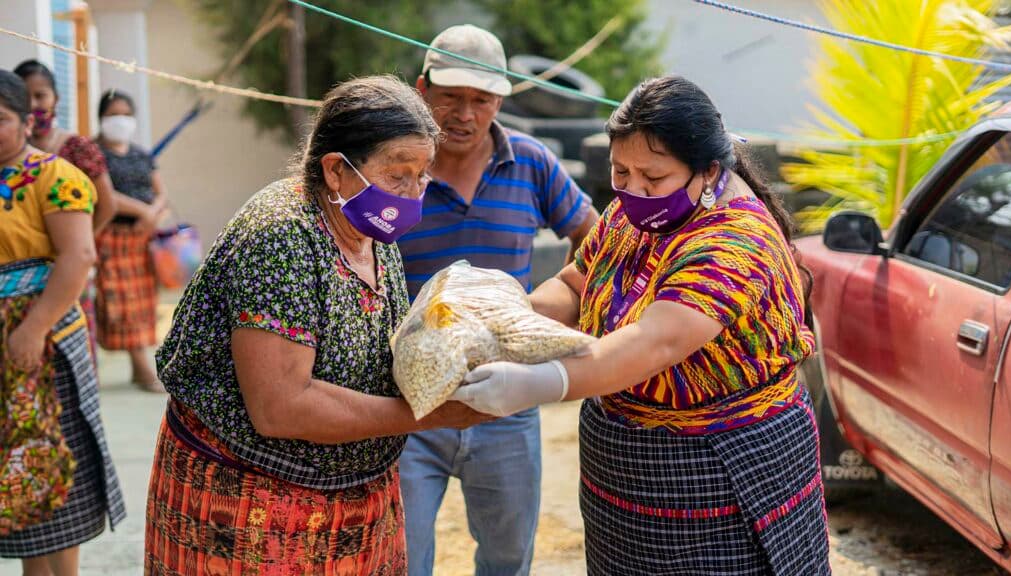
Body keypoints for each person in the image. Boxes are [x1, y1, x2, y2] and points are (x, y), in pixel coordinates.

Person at [452, 76, 831, 575]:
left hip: (723, 467)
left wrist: (541, 382)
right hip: (627, 471)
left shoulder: (738, 241)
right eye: (620, 171)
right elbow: (574, 283)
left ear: (708, 171)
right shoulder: (633, 214)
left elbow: (654, 343)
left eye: (653, 177)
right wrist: (510, 320)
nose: (633, 188)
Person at [147, 75, 492, 575]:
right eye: (399, 175)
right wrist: (432, 415)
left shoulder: (373, 236)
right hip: (251, 509)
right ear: (336, 170)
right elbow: (281, 407)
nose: (414, 192)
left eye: (422, 175)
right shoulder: (280, 236)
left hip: (355, 509)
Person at [397, 24, 600, 576]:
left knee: (508, 560)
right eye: (451, 98)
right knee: (404, 558)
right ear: (423, 91)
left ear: (501, 100)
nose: (464, 114)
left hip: (508, 400)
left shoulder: (531, 162)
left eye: (481, 99)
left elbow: (597, 240)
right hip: (408, 403)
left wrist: (554, 306)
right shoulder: (399, 166)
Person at [0, 69, 125, 576]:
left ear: (26, 122)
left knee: (51, 457)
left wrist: (33, 329)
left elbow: (78, 256)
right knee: (13, 463)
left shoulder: (55, 177)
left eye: (1, 120)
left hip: (42, 340)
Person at [14, 59, 118, 363]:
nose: (34, 104)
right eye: (25, 96)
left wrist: (76, 246)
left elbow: (107, 204)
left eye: (41, 95)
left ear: (55, 98)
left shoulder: (76, 148)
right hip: (22, 276)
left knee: (69, 355)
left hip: (67, 272)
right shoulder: (9, 152)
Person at [94, 90, 166, 391]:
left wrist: (154, 214)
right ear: (101, 117)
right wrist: (144, 211)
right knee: (120, 305)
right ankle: (143, 369)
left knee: (142, 305)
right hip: (110, 237)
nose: (120, 120)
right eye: (113, 114)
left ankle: (139, 369)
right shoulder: (94, 153)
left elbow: (161, 192)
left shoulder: (141, 155)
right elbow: (106, 195)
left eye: (125, 113)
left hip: (142, 240)